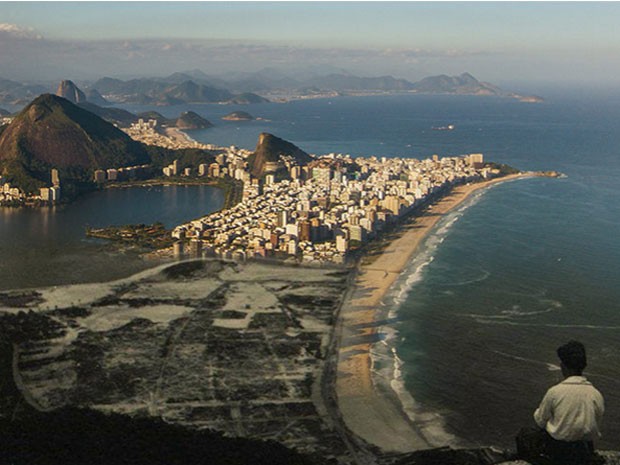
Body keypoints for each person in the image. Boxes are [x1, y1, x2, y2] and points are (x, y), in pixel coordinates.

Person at [517, 341, 605, 464]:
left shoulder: (555, 392)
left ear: (563, 366)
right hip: (584, 451)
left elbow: (540, 421)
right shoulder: (596, 394)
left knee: (525, 434)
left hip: (559, 450)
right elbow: (595, 425)